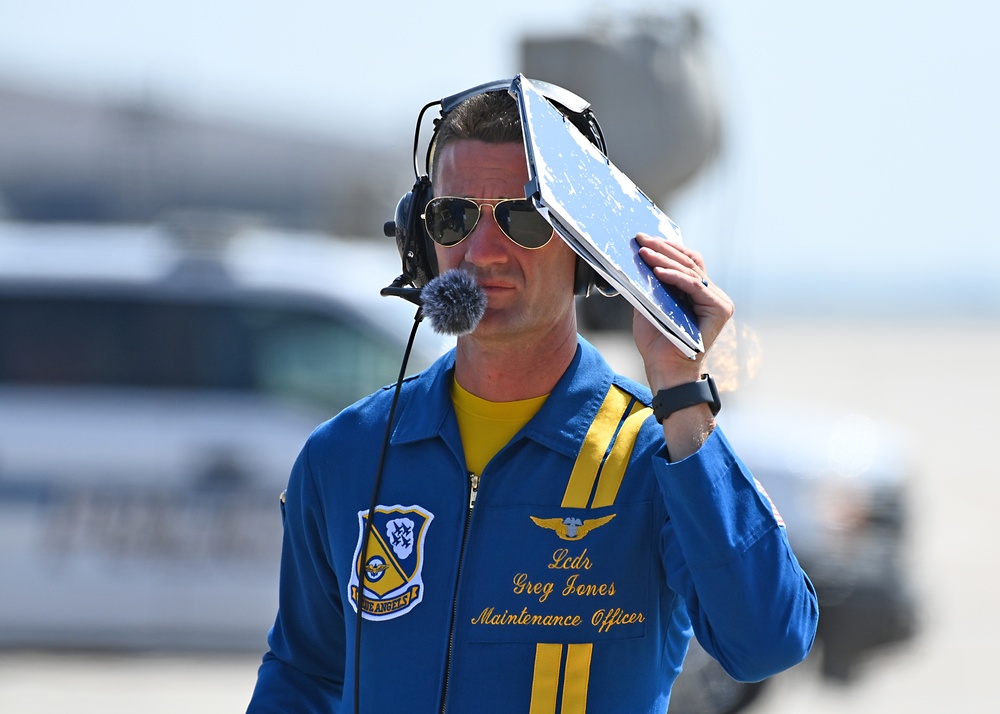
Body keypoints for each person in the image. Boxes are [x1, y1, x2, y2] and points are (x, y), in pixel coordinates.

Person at [247, 80, 818, 714]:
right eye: (456, 215)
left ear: (585, 250)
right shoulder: (345, 455)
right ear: (421, 238)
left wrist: (681, 387)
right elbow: (303, 674)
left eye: (523, 217)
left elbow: (767, 643)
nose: (483, 251)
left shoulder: (658, 456)